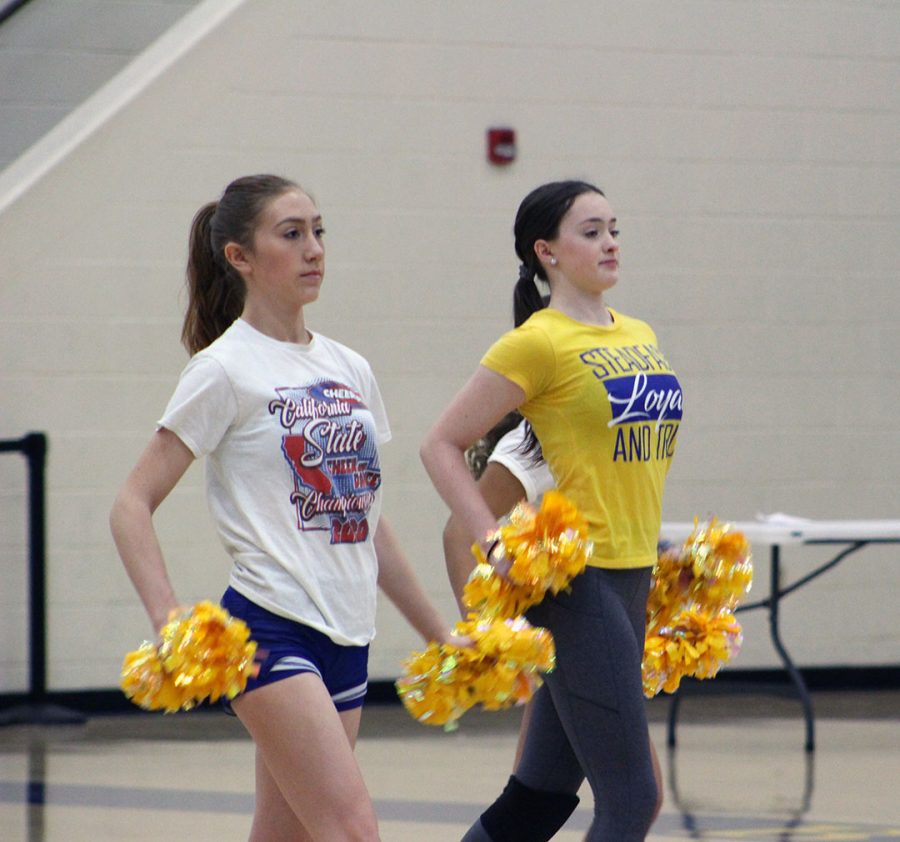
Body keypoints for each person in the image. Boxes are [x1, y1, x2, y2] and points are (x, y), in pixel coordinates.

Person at [110, 174, 455, 842]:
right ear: (240, 256)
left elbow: (363, 518)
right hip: (270, 627)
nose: (314, 249)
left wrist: (439, 634)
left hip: (349, 634)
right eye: (291, 234)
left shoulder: (350, 368)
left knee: (285, 835)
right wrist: (170, 622)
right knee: (353, 830)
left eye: (319, 232)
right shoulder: (223, 368)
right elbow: (131, 503)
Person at [421, 180, 683, 841]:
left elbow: (624, 460)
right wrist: (494, 543)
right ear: (547, 252)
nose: (610, 243)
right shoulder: (538, 343)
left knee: (540, 795)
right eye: (590, 231)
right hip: (577, 587)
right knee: (632, 800)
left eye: (614, 228)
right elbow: (440, 445)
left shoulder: (641, 332)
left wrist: (660, 541)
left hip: (633, 576)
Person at [443, 419, 664, 835]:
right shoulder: (534, 437)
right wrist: (489, 642)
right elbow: (459, 534)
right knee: (633, 798)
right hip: (572, 628)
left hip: (594, 627)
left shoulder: (602, 429)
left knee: (535, 802)